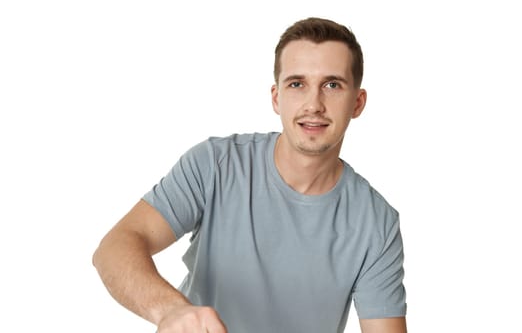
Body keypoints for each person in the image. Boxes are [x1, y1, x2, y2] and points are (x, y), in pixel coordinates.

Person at [93, 17, 408, 333]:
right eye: (297, 84)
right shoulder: (216, 165)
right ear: (276, 97)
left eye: (332, 85)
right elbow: (115, 248)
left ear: (358, 102)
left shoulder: (376, 223)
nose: (314, 104)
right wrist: (171, 311)